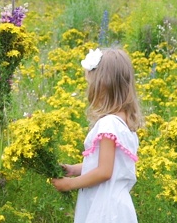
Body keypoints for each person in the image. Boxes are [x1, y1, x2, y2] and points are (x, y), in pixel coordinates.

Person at [52, 47, 144, 223]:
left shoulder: (108, 124)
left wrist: (69, 184)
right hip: (118, 204)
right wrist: (74, 169)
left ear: (103, 87)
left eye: (91, 84)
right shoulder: (124, 123)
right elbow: (110, 163)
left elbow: (104, 171)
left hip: (105, 208)